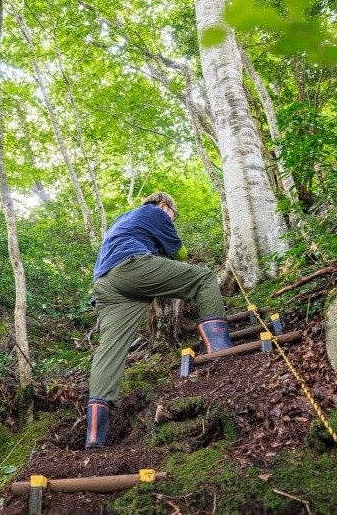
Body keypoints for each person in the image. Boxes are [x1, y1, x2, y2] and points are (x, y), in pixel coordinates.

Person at [85, 191, 233, 449]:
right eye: (173, 216)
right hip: (131, 267)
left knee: (110, 349)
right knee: (204, 279)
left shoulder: (122, 219)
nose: (172, 221)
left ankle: (96, 435)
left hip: (104, 284)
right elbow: (181, 254)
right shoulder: (155, 212)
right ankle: (221, 351)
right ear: (164, 206)